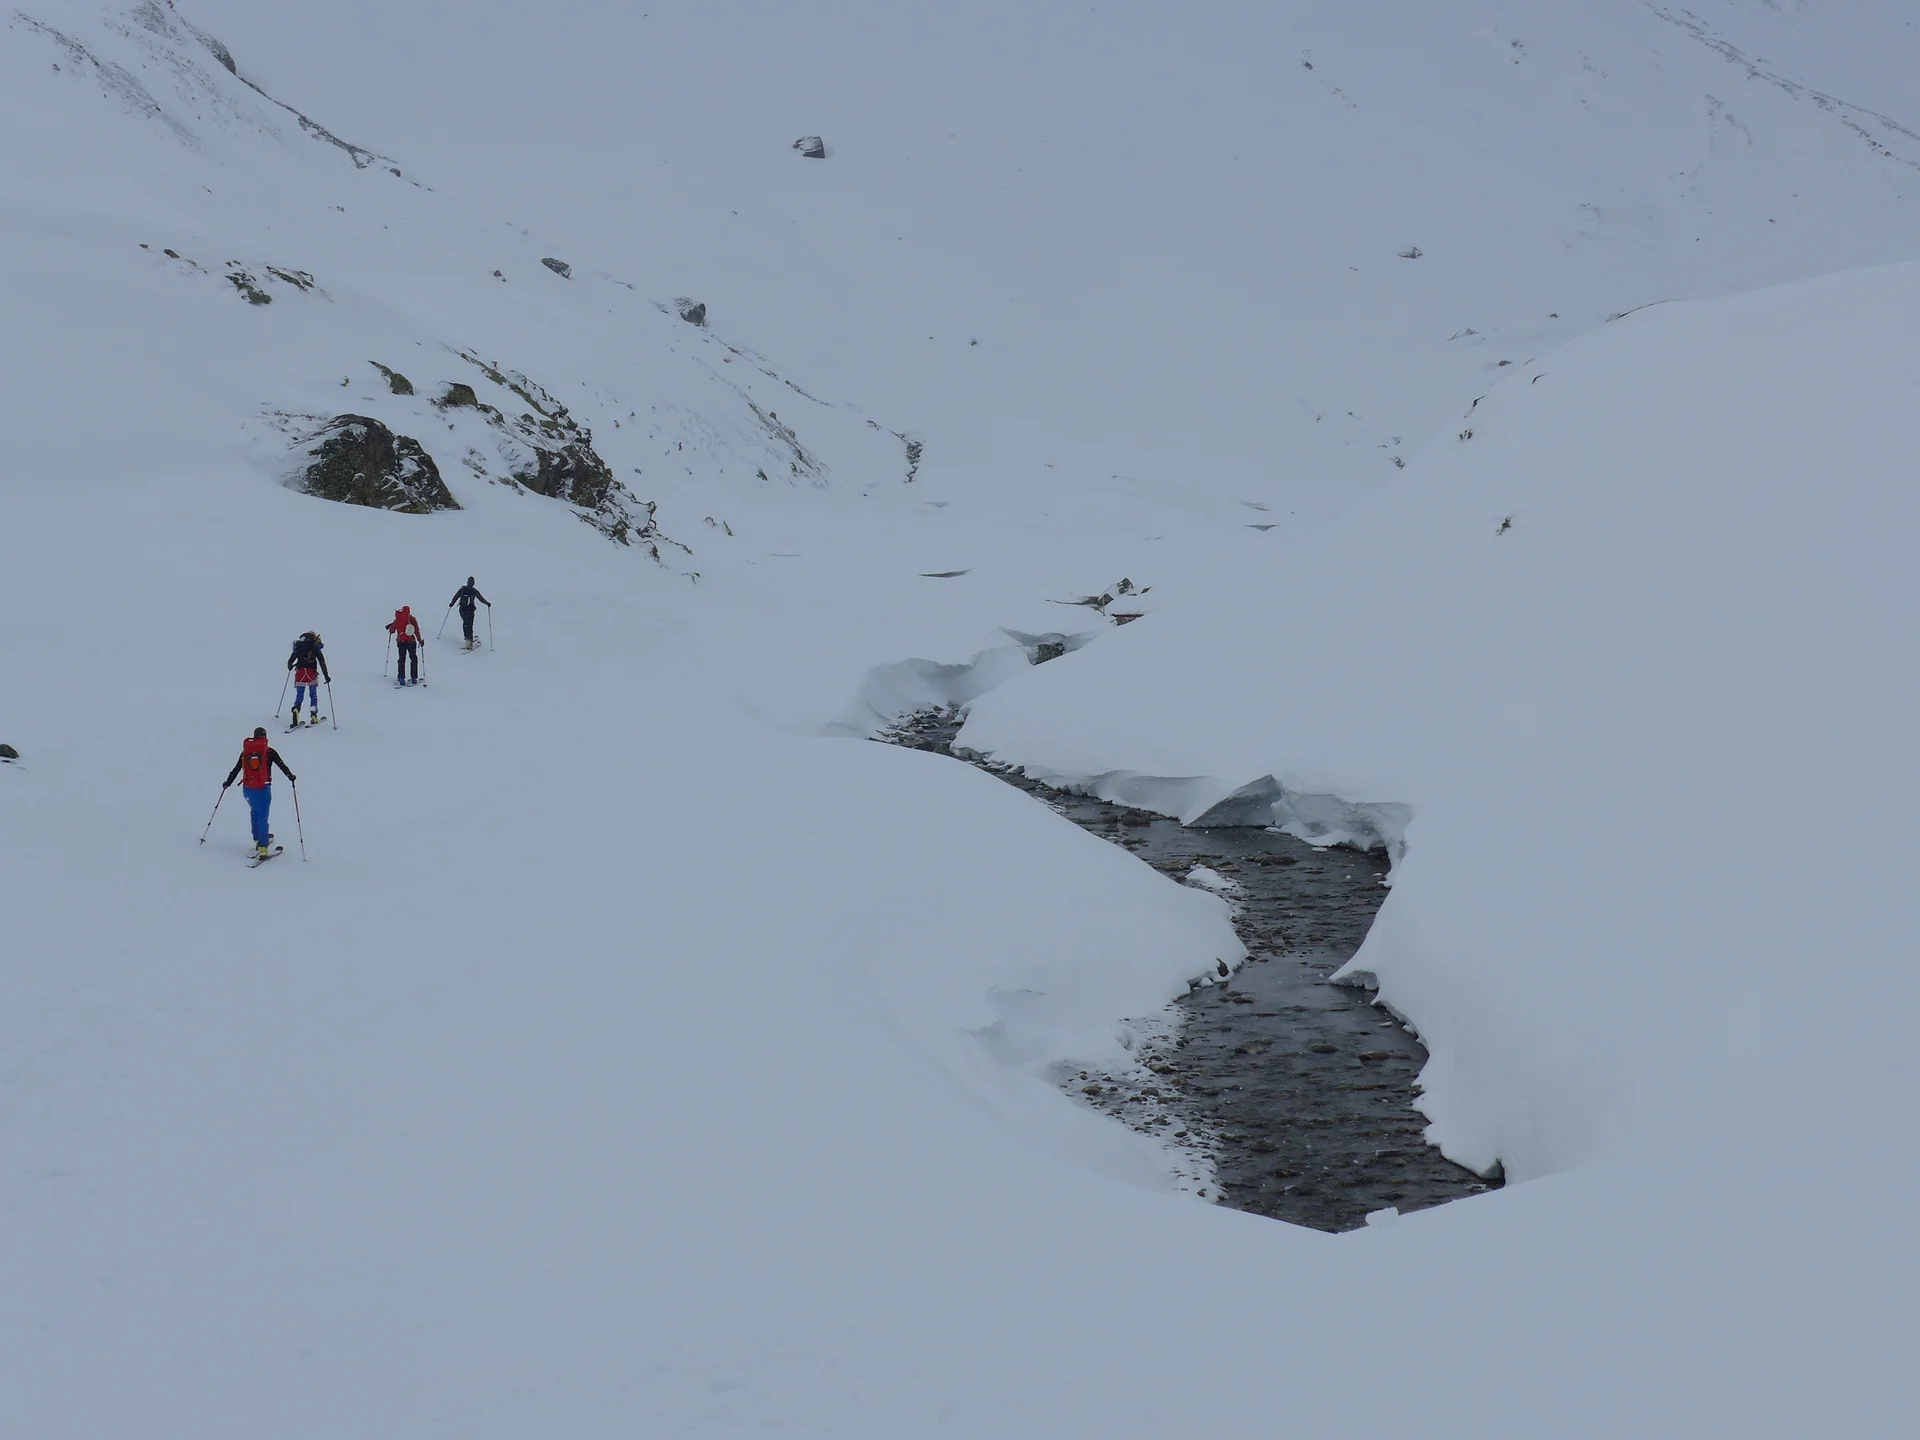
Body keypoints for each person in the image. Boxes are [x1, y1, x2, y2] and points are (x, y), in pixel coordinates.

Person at [223, 726, 295, 860]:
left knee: (254, 812)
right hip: (263, 789)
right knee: (263, 817)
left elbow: (236, 769)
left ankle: (257, 839)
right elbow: (282, 765)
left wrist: (228, 782)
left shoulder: (246, 752)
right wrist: (291, 776)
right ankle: (263, 848)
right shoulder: (269, 752)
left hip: (248, 789)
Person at [286, 631, 331, 727]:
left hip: (300, 673)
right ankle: (313, 716)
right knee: (313, 695)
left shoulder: (298, 646)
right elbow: (322, 662)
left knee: (299, 695)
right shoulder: (315, 646)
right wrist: (326, 676)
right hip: (311, 673)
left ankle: (296, 709)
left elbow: (291, 660)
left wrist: (290, 666)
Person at [449, 577, 491, 650]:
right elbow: (481, 599)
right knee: (469, 624)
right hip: (470, 610)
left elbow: (455, 597)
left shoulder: (462, 589)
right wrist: (487, 603)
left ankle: (468, 639)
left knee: (465, 624)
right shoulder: (474, 591)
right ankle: (469, 641)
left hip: (462, 610)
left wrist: (451, 604)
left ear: (467, 582)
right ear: (473, 583)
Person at [387, 605, 423, 685]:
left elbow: (391, 630)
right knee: (413, 659)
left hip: (401, 642)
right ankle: (414, 678)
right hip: (411, 642)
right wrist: (420, 641)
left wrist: (392, 629)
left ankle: (401, 678)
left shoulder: (398, 619)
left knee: (402, 659)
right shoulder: (412, 619)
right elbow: (416, 631)